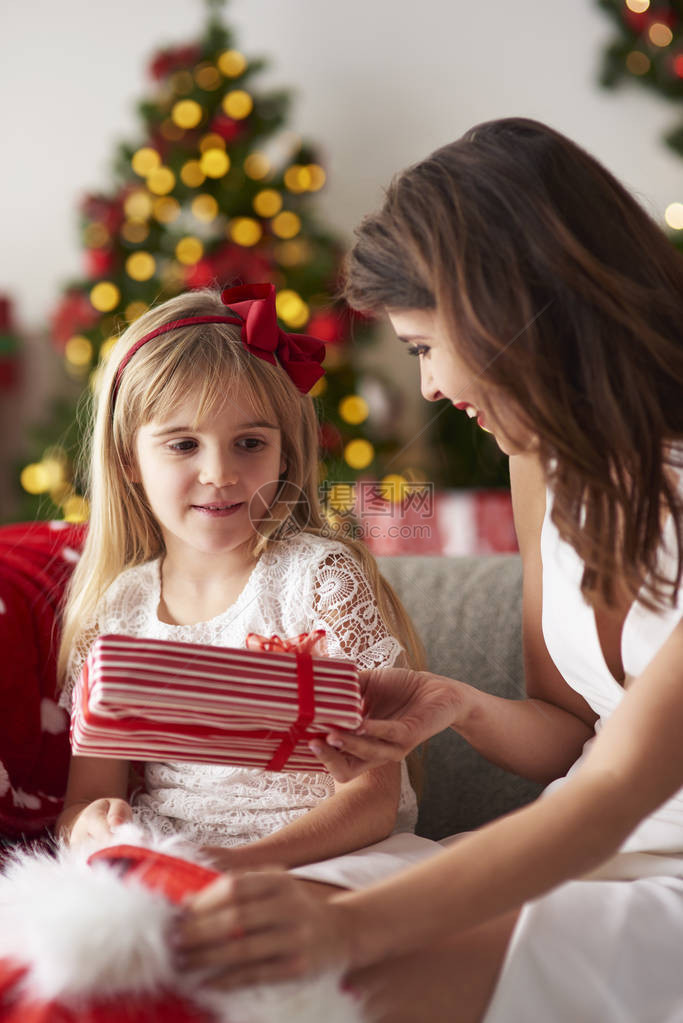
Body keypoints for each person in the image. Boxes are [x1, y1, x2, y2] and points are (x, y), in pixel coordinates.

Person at [171, 118, 683, 1022]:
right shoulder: (544, 465)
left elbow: (611, 791)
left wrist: (351, 933)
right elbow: (573, 736)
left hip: (644, 874)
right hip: (573, 847)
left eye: (421, 347)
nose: (430, 389)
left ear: (509, 309)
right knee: (222, 938)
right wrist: (460, 706)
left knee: (331, 968)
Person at [56, 282, 432, 894]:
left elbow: (373, 798)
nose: (221, 473)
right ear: (129, 461)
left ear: (285, 455)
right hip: (171, 867)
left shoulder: (319, 578)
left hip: (331, 862)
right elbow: (86, 801)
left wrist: (240, 865)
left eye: (250, 443)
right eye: (183, 444)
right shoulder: (116, 609)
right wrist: (93, 830)